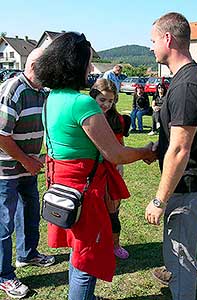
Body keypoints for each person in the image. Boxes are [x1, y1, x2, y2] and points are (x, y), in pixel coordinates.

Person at [34, 31, 157, 300]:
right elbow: (115, 154)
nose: (91, 68)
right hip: (85, 192)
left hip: (61, 189)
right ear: (73, 63)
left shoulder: (51, 98)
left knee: (77, 253)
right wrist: (146, 151)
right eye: (88, 62)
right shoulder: (83, 103)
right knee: (86, 260)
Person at [145, 12, 197, 300]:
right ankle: (173, 272)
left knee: (182, 253)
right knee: (176, 244)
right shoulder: (184, 79)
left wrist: (159, 200)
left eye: (153, 41)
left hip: (189, 185)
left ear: (168, 38)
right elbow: (176, 140)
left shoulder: (187, 85)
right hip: (188, 180)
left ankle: (181, 286)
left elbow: (180, 149)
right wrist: (159, 148)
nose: (151, 47)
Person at [0, 48, 55, 299]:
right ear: (35, 66)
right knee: (4, 223)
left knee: (30, 211)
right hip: (6, 169)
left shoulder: (41, 92)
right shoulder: (14, 89)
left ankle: (28, 254)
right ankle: (3, 276)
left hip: (27, 167)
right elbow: (1, 135)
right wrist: (26, 160)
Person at [90, 78, 130, 260]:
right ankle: (97, 243)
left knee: (113, 208)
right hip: (92, 170)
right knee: (94, 211)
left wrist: (120, 164)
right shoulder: (87, 117)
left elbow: (120, 144)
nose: (106, 104)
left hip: (112, 169)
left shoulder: (118, 119)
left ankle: (115, 244)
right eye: (102, 100)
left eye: (110, 101)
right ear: (94, 97)